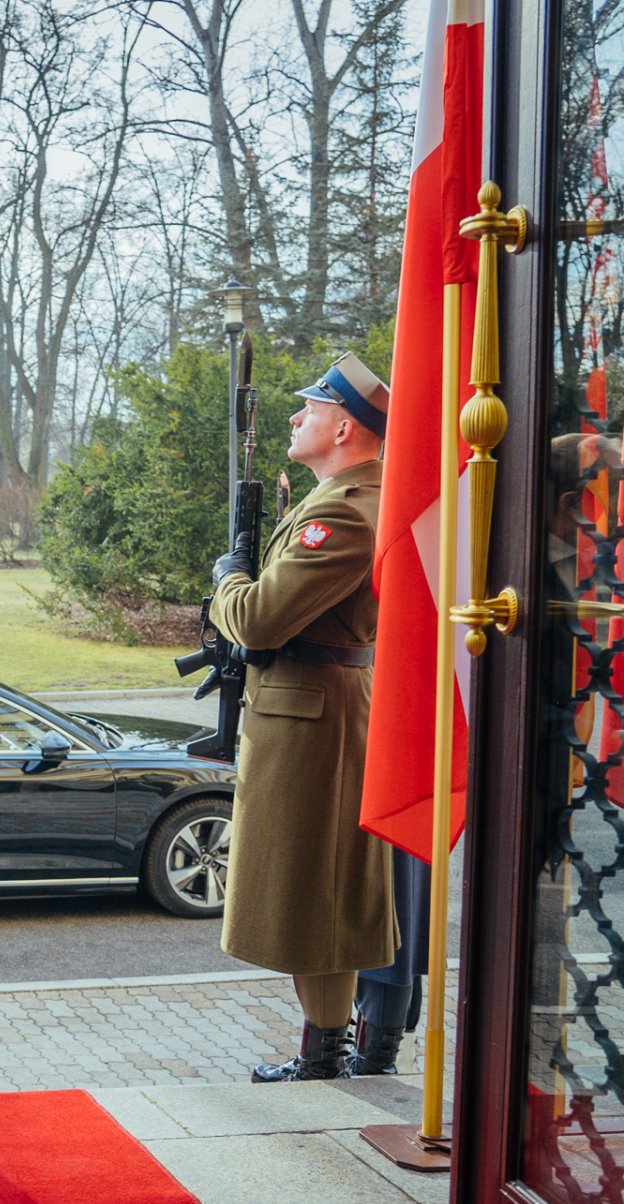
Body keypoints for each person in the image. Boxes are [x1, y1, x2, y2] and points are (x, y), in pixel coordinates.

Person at [210, 351, 397, 1081]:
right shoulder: (343, 498)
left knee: (318, 892)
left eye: (312, 408)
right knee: (323, 889)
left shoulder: (345, 515)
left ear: (344, 428)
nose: (297, 417)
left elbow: (258, 619)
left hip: (313, 721)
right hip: (314, 712)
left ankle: (325, 1054)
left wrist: (229, 582)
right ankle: (328, 1047)